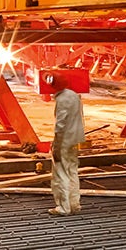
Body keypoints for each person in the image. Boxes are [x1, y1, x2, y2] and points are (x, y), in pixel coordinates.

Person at [48, 79, 85, 215]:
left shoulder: (62, 100)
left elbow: (60, 125)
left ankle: (64, 208)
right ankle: (75, 205)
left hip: (64, 141)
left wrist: (56, 145)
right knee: (72, 171)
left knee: (61, 174)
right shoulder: (74, 95)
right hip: (75, 140)